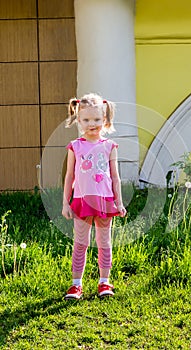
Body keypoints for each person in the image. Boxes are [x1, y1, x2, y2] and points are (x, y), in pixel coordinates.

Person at [62, 93, 127, 300]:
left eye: (97, 120)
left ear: (105, 120)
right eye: (87, 120)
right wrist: (66, 203)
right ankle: (76, 284)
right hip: (82, 201)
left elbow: (115, 177)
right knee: (81, 242)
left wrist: (119, 201)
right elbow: (70, 175)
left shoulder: (110, 146)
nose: (93, 124)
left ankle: (104, 281)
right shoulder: (76, 146)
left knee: (104, 242)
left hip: (104, 201)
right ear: (78, 120)